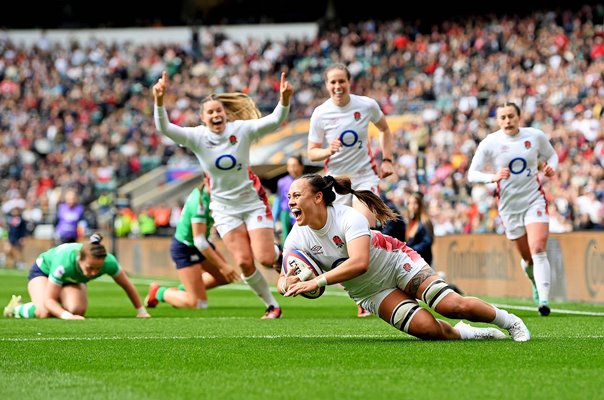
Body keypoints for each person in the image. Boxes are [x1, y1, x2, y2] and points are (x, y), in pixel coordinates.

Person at [280, 175, 531, 342]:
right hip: (370, 293)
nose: (290, 201)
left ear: (318, 197)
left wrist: (317, 281)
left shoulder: (347, 217)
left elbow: (359, 263)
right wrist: (286, 284)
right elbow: (283, 276)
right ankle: (465, 333)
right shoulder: (297, 237)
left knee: (451, 306)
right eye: (289, 197)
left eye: (296, 195)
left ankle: (510, 321)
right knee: (428, 330)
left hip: (396, 263)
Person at [153, 70, 293, 319]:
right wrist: (159, 101)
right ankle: (272, 305)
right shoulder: (197, 137)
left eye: (219, 110)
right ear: (202, 117)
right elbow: (164, 128)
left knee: (264, 257)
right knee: (244, 263)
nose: (216, 115)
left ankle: (280, 254)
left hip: (252, 202)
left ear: (225, 113)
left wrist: (284, 100)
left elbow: (274, 121)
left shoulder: (241, 130)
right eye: (210, 112)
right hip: (224, 209)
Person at [467, 101, 558, 317]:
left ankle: (544, 301)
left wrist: (551, 167)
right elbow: (472, 174)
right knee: (527, 258)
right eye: (503, 117)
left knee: (538, 248)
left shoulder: (534, 136)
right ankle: (534, 281)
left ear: (519, 117)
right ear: (498, 121)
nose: (508, 121)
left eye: (511, 116)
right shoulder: (490, 142)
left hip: (533, 199)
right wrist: (492, 177)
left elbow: (551, 155)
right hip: (509, 207)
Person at [307, 63, 395, 229]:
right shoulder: (320, 113)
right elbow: (312, 153)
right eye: (333, 82)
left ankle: (372, 252)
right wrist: (328, 150)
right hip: (337, 180)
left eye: (341, 81)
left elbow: (384, 129)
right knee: (341, 232)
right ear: (327, 85)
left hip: (364, 176)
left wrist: (387, 159)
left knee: (364, 226)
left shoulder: (366, 105)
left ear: (349, 82)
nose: (337, 86)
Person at [3, 233, 150, 320]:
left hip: (71, 280)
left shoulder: (109, 262)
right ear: (80, 259)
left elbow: (127, 285)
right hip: (43, 272)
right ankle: (17, 308)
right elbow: (49, 300)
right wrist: (66, 316)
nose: (93, 273)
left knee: (77, 310)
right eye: (89, 268)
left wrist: (141, 311)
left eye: (97, 269)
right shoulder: (64, 263)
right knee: (45, 311)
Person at [144, 177, 241, 310]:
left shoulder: (213, 197)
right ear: (207, 181)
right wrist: (223, 265)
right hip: (186, 248)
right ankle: (158, 292)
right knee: (198, 304)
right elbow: (199, 240)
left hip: (201, 244)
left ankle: (186, 289)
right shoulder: (200, 202)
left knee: (226, 277)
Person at [272, 154, 305, 247]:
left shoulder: (307, 182)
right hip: (286, 215)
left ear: (301, 166)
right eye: (289, 166)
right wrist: (273, 219)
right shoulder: (282, 182)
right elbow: (278, 201)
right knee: (286, 241)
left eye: (294, 165)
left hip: (302, 214)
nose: (291, 169)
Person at [405, 191, 434, 266]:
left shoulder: (425, 221)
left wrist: (412, 249)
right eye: (410, 203)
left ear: (420, 205)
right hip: (412, 261)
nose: (412, 206)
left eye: (415, 203)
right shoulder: (410, 222)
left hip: (422, 261)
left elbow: (428, 241)